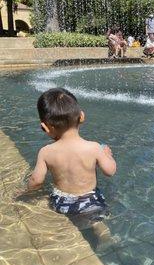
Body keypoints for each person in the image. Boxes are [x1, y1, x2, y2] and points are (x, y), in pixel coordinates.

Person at [27, 88, 117, 222]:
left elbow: (36, 181)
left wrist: (26, 192)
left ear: (46, 126)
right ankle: (104, 237)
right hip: (90, 200)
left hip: (61, 202)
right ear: (82, 116)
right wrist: (108, 155)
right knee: (97, 223)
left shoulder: (46, 151)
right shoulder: (94, 147)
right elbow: (110, 171)